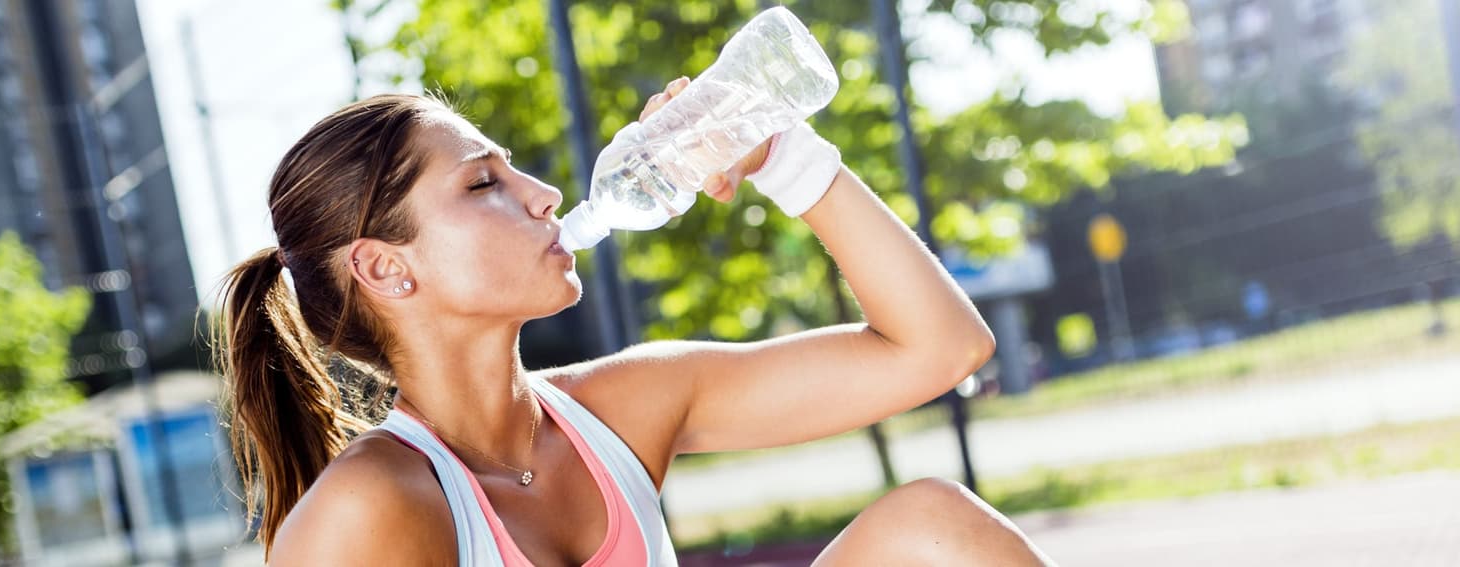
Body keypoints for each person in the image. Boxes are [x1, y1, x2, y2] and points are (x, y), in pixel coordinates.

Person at [217, 77, 1057, 566]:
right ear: (385, 266)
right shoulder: (371, 509)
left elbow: (940, 347)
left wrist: (781, 155)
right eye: (483, 185)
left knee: (931, 525)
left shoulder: (619, 410)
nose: (543, 194)